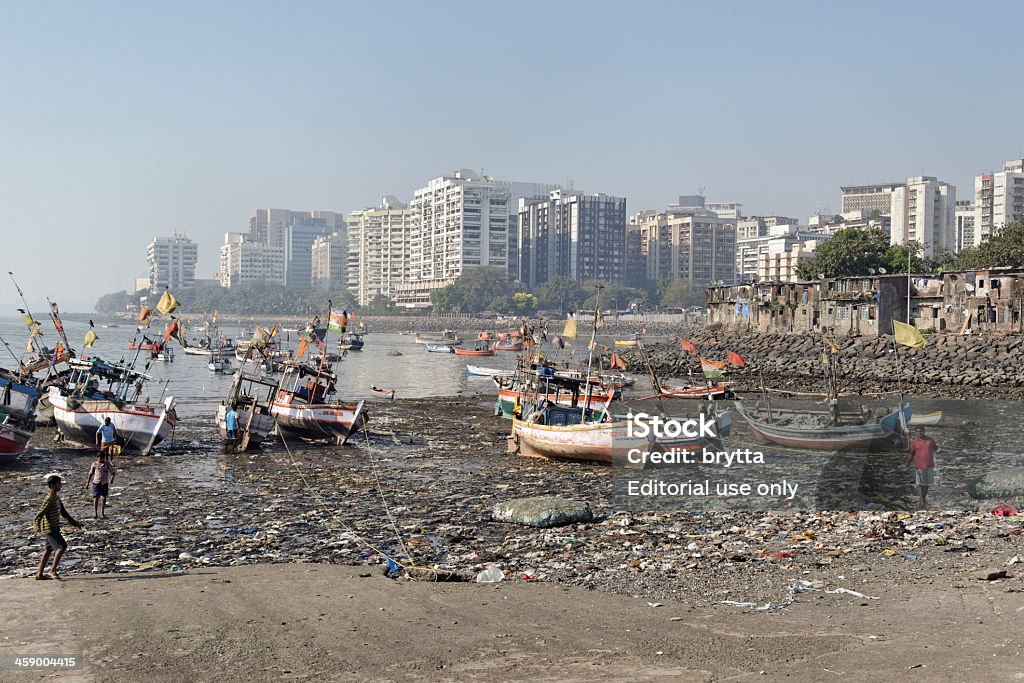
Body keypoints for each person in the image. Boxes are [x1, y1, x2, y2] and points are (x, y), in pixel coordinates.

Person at [33, 474, 83, 580]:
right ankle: (52, 571)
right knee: (62, 546)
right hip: (49, 528)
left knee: (48, 549)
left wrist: (75, 523)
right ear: (52, 485)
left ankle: (39, 574)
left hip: (53, 527)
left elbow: (64, 512)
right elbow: (39, 514)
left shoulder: (56, 497)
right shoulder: (49, 499)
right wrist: (36, 526)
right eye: (59, 483)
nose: (61, 485)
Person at [908, 426, 941, 507]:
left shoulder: (930, 440)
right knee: (921, 484)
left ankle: (923, 499)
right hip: (920, 465)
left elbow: (936, 448)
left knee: (927, 484)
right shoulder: (914, 442)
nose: (920, 433)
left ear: (924, 431)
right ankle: (922, 501)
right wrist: (908, 462)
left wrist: (939, 450)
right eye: (918, 431)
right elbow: (912, 454)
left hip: (930, 465)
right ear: (916, 432)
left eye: (921, 431)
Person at [84, 453, 116, 519]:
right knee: (96, 498)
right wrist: (87, 483)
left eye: (103, 458)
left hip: (104, 483)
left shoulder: (107, 463)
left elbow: (113, 472)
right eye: (100, 458)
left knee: (103, 498)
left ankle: (102, 513)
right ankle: (95, 513)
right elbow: (90, 474)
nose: (102, 459)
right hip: (96, 482)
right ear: (97, 458)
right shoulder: (94, 464)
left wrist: (111, 479)